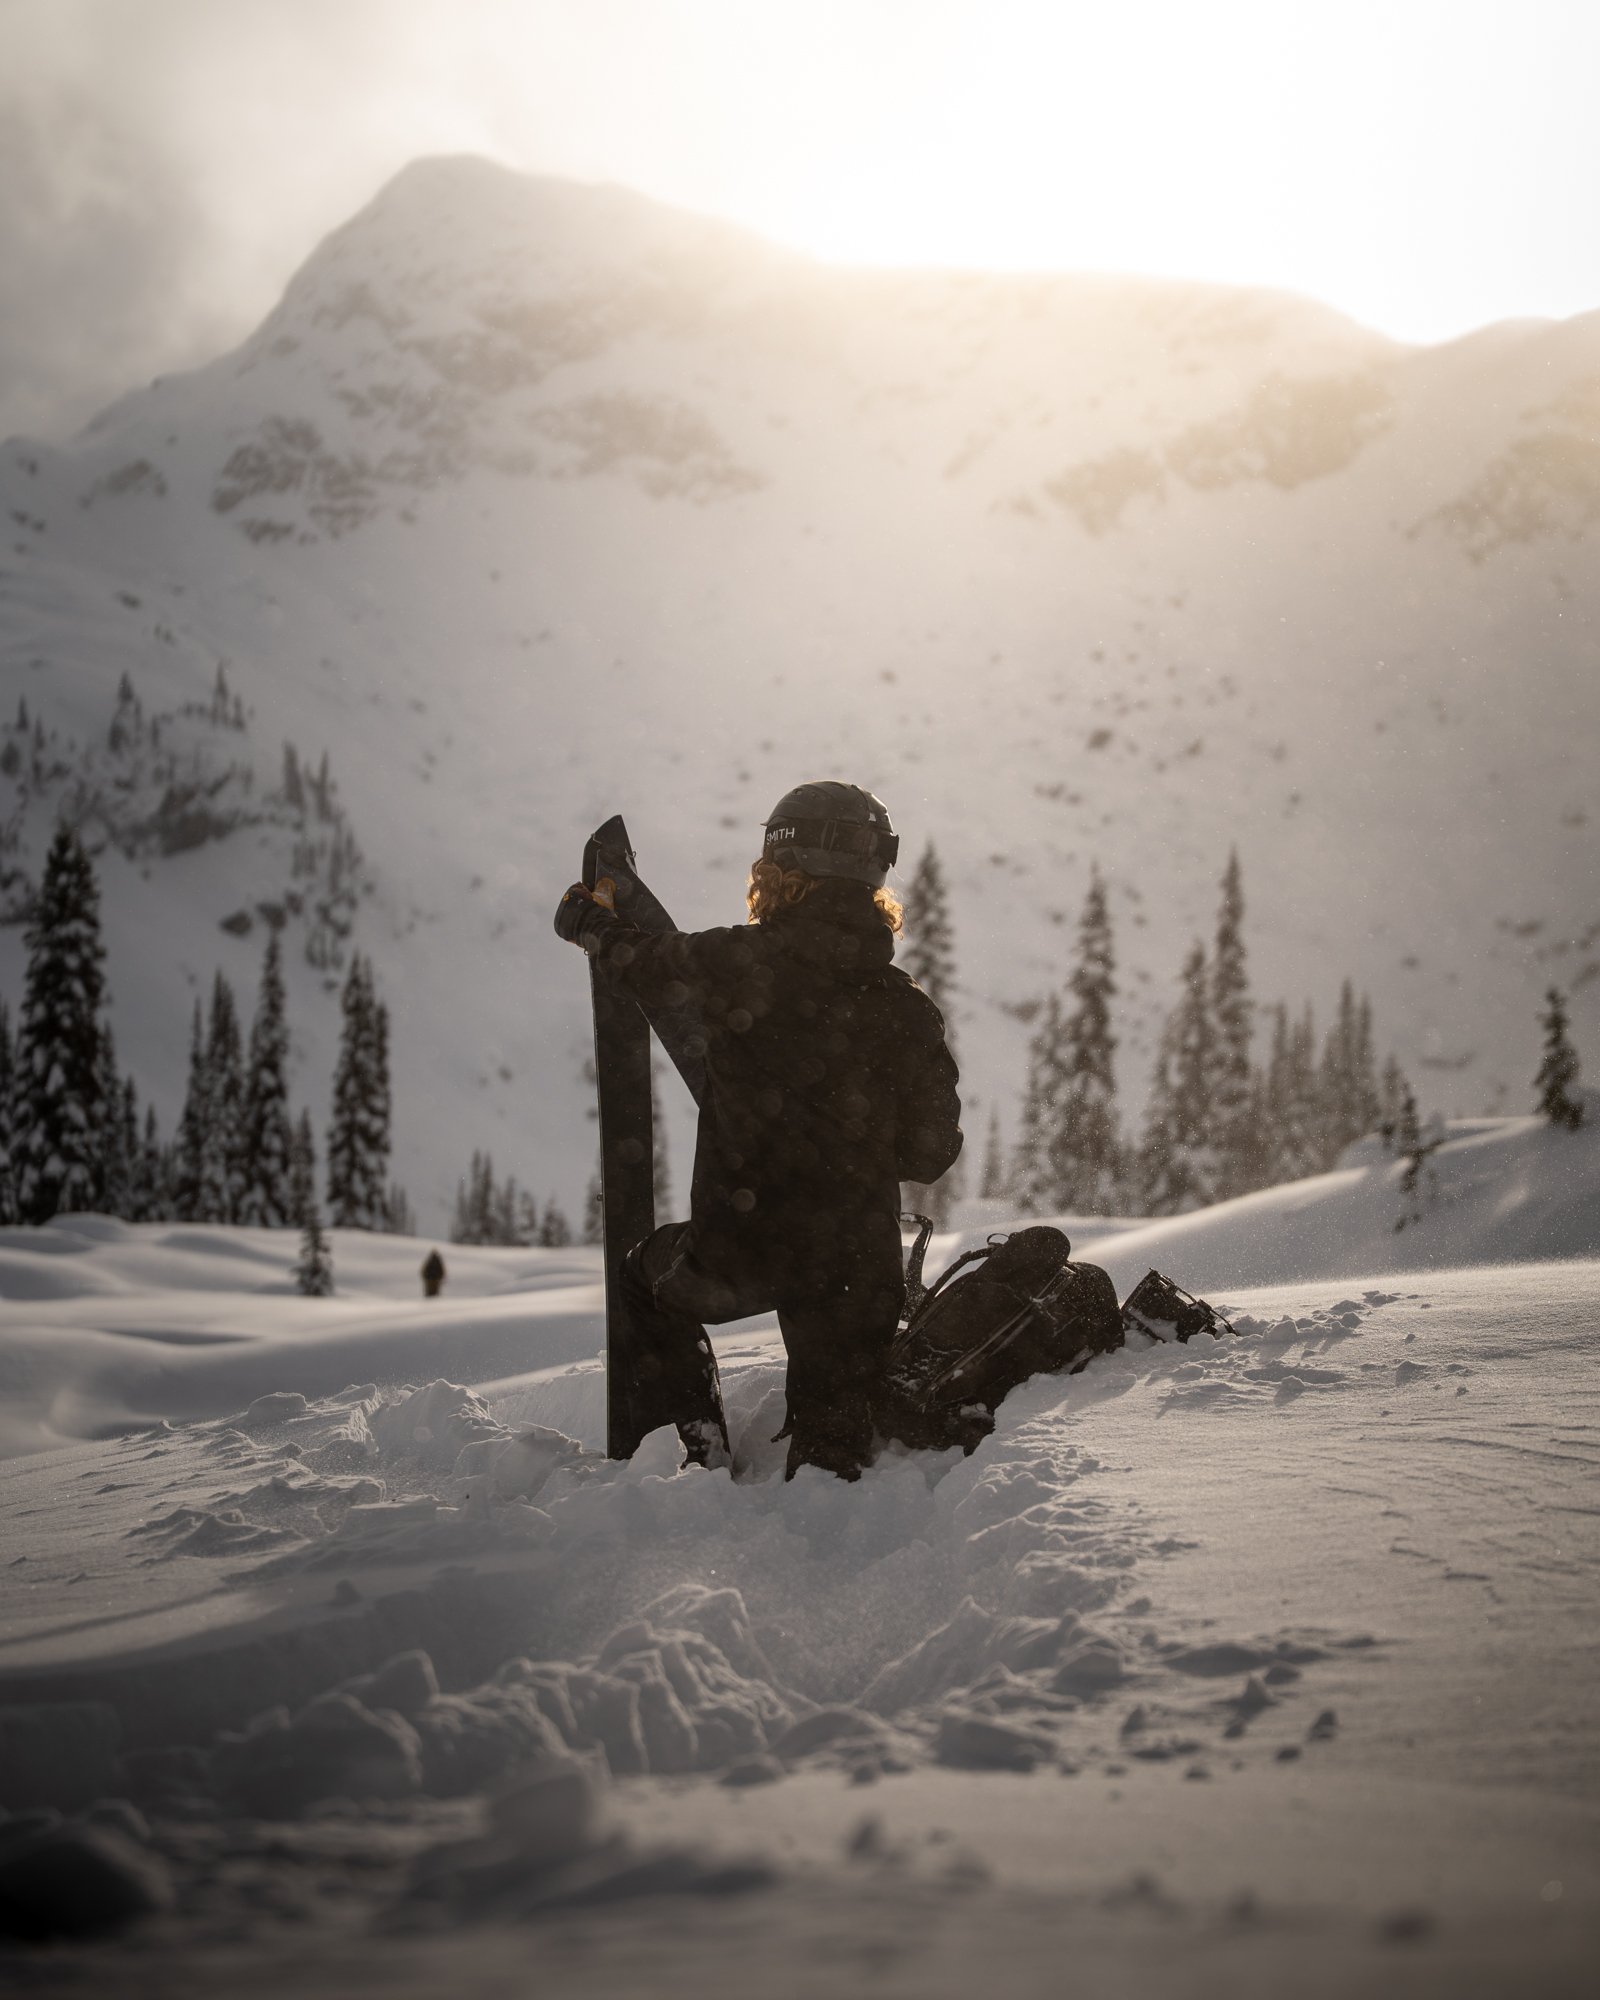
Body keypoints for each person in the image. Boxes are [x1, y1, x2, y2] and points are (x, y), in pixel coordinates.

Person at [554, 781, 962, 1479]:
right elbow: (931, 1153)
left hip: (741, 1255)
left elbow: (643, 963)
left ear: (780, 871)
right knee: (835, 1464)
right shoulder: (907, 1009)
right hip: (856, 1272)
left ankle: (690, 1455)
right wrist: (850, 1146)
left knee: (640, 1279)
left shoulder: (737, 964)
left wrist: (585, 921)